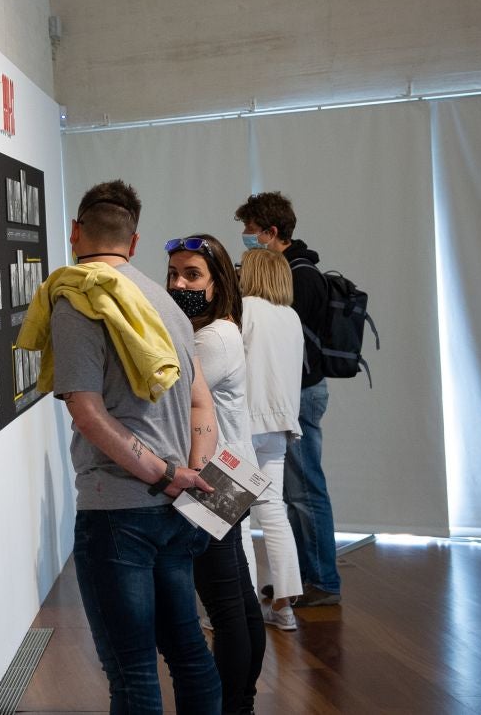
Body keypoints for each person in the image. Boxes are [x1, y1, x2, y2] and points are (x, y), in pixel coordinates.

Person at [22, 179, 222, 714]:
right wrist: (191, 473)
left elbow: (87, 412)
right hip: (177, 506)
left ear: (73, 233)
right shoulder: (167, 302)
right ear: (134, 244)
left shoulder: (78, 299)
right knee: (187, 651)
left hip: (119, 511)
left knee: (131, 669)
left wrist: (162, 474)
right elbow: (203, 403)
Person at [166, 234, 266, 715]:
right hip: (227, 471)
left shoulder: (212, 338)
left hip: (215, 476)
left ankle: (235, 703)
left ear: (218, 282)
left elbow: (167, 393)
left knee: (226, 606)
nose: (178, 284)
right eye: (173, 274)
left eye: (192, 275)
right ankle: (240, 699)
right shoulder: (212, 331)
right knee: (237, 600)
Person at [235, 191, 341, 606]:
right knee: (281, 502)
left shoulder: (297, 280)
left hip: (289, 399)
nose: (245, 238)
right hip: (286, 404)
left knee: (300, 495)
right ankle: (290, 583)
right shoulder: (297, 278)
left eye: (249, 231)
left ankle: (319, 581)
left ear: (270, 232)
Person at [238, 248, 305, 630]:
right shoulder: (290, 318)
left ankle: (243, 609)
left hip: (243, 425)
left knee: (238, 519)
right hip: (279, 425)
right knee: (273, 510)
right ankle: (284, 607)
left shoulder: (244, 311)